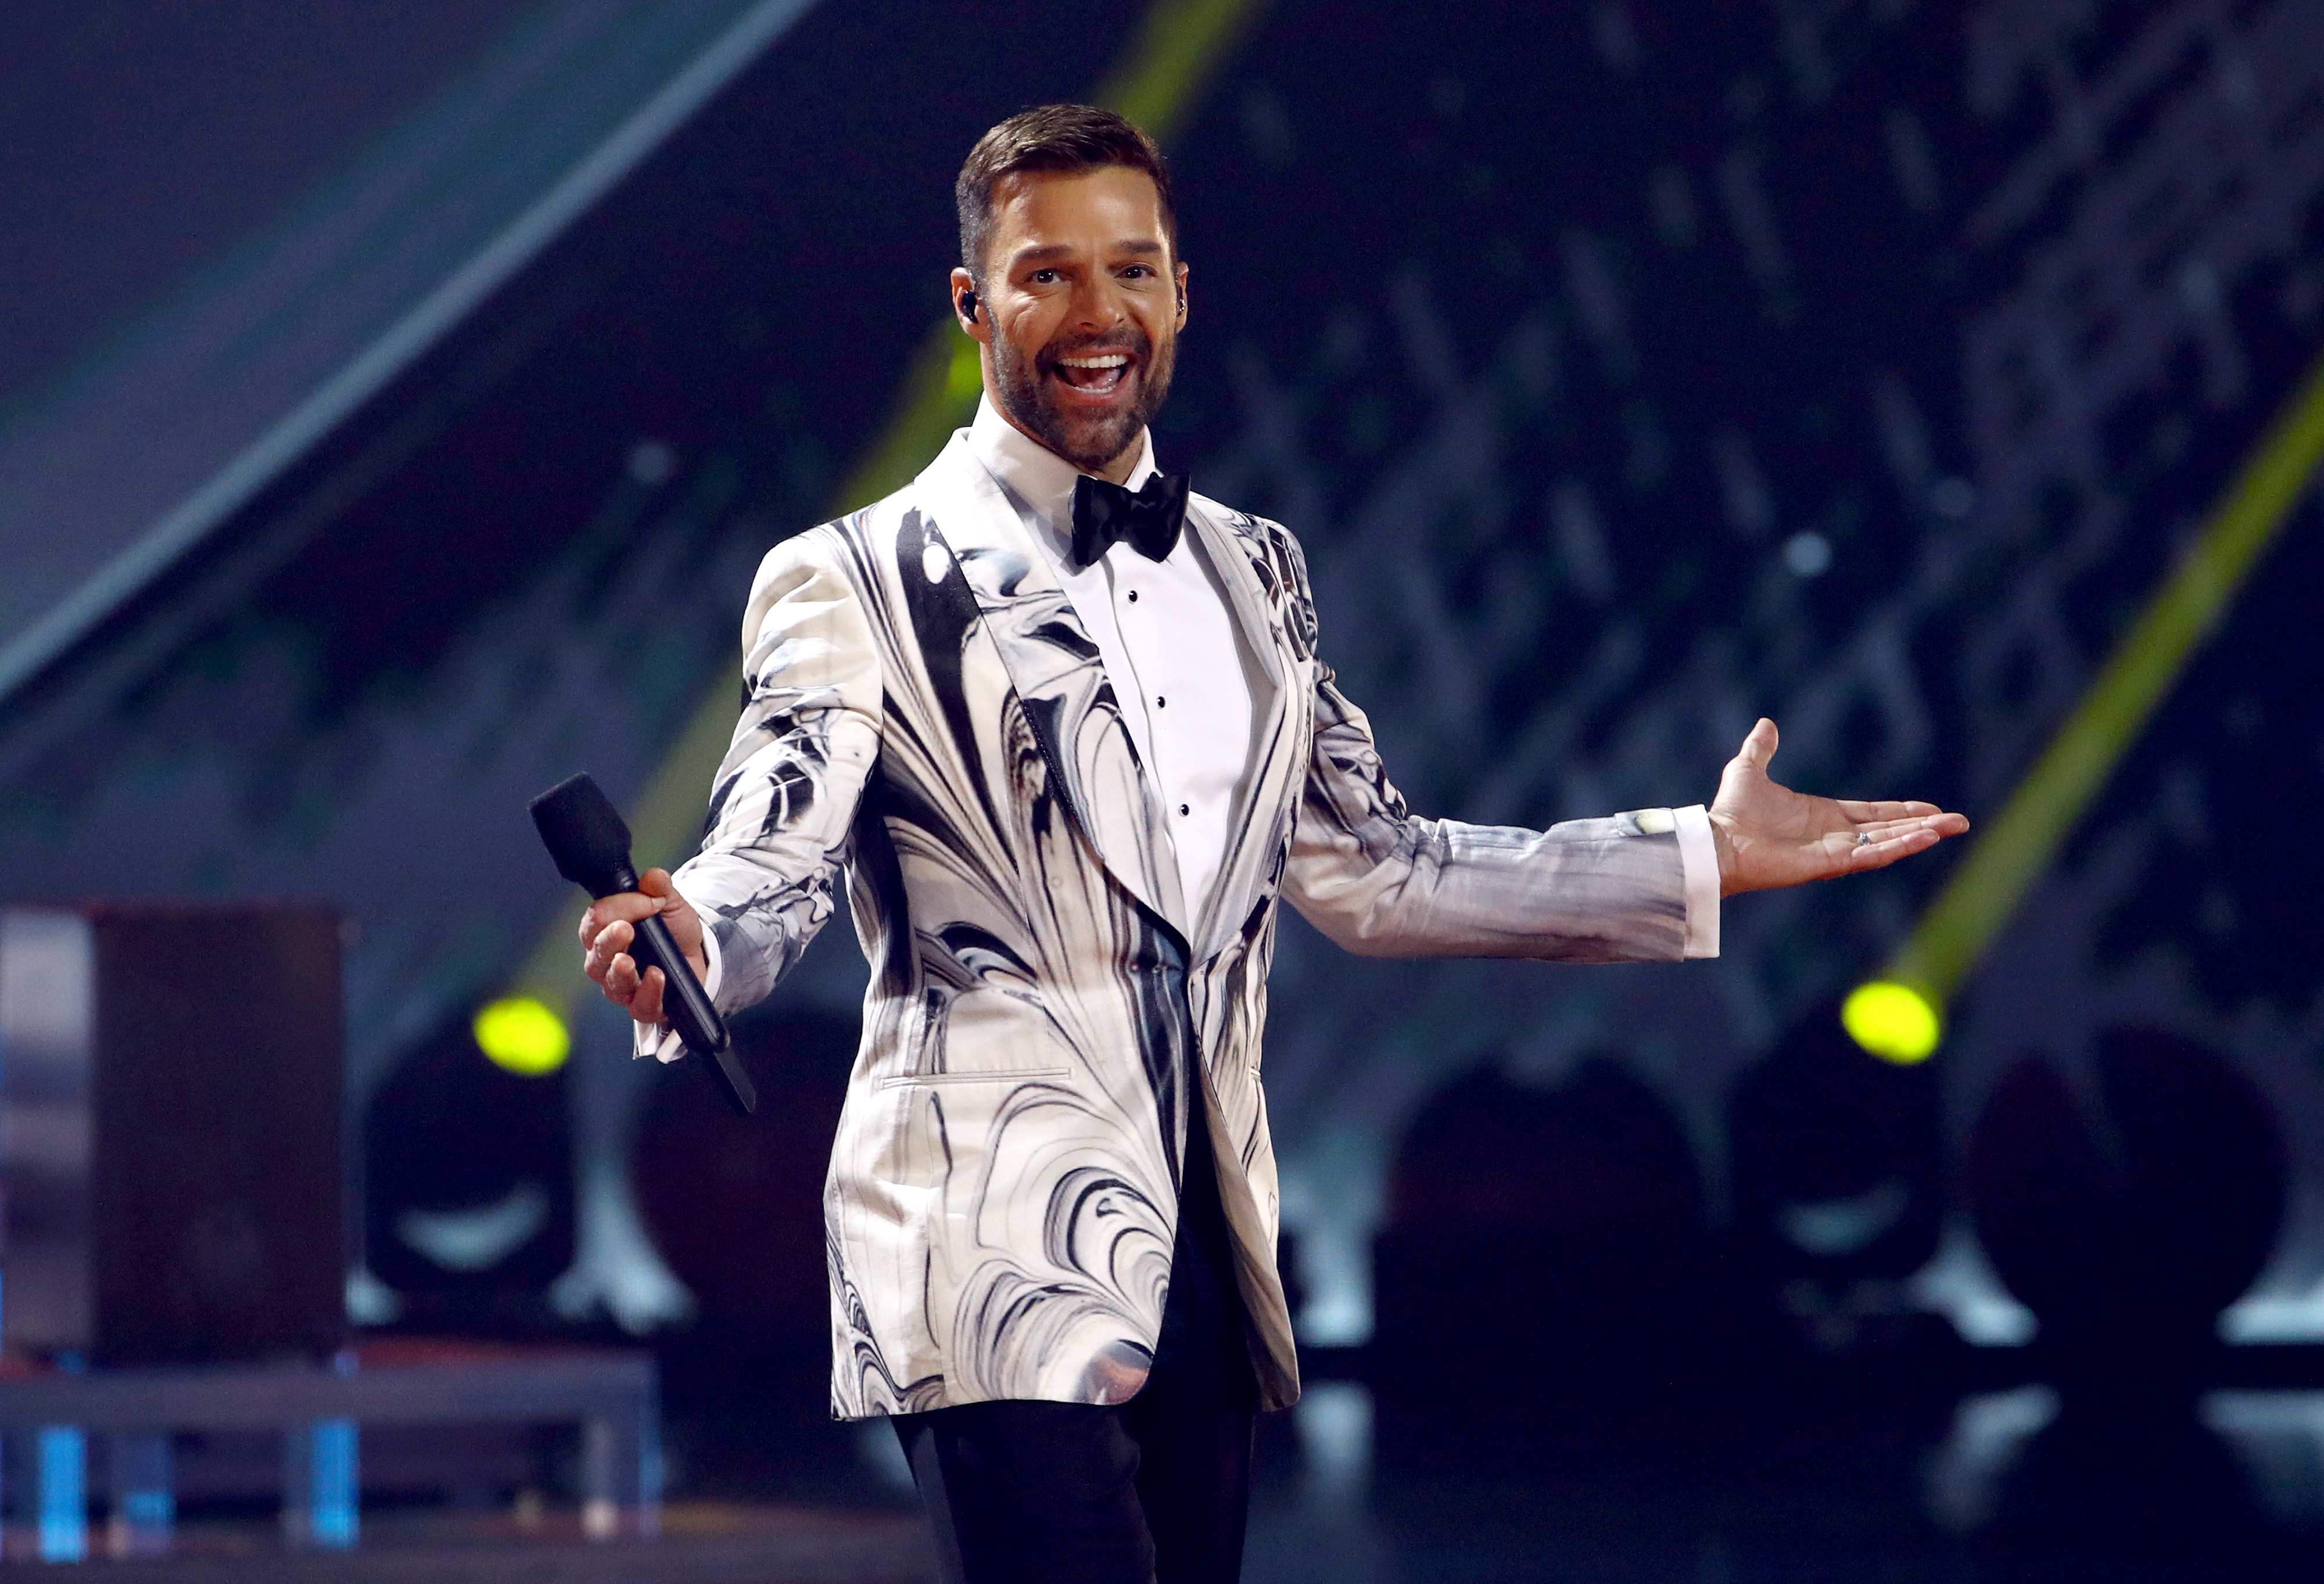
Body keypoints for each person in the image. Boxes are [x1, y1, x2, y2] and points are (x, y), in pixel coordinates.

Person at [579, 104, 1968, 1583]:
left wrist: (1697, 853)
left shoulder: (1255, 569)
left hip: (1206, 1253)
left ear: (1181, 291)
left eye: (1131, 268)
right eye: (1046, 273)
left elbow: (1376, 868)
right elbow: (771, 838)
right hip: (981, 1249)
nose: (1095, 311)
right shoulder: (851, 576)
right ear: (972, 303)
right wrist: (694, 939)